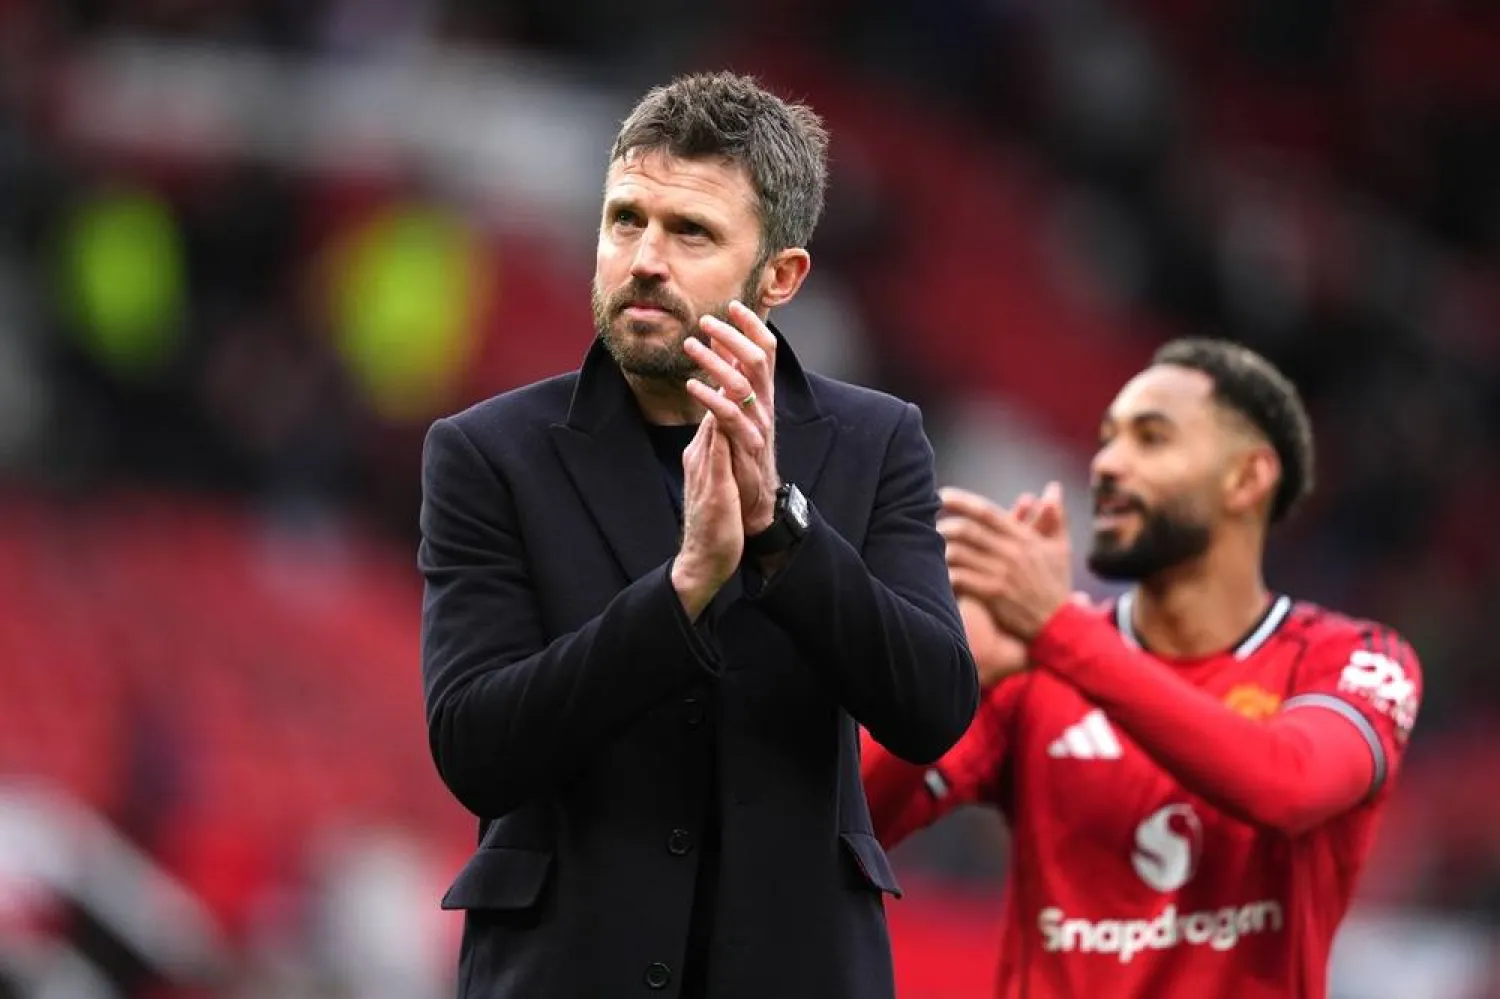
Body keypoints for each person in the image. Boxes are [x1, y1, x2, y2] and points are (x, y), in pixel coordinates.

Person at [417, 71, 979, 999]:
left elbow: (931, 707)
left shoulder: (877, 441)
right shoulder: (487, 452)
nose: (643, 257)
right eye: (625, 219)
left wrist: (781, 531)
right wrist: (681, 590)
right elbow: (476, 748)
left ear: (782, 276)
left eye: (691, 233)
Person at [862, 338, 1423, 999]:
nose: (1107, 465)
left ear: (1248, 478)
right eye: (1106, 440)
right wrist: (954, 675)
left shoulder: (1353, 658)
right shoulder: (1035, 658)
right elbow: (852, 827)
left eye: (1150, 440)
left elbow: (1287, 786)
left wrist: (1059, 632)